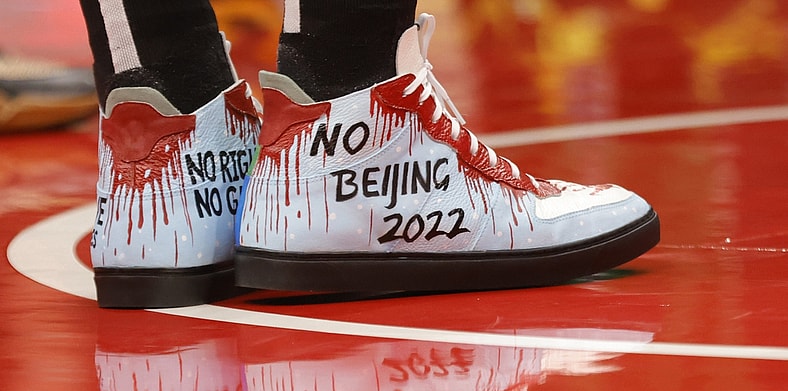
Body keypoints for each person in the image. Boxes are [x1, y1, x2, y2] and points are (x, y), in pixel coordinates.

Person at [79, 0, 659, 308]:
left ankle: (170, 164)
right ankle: (356, 97)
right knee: (346, 55)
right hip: (361, 154)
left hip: (137, 205)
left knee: (160, 59)